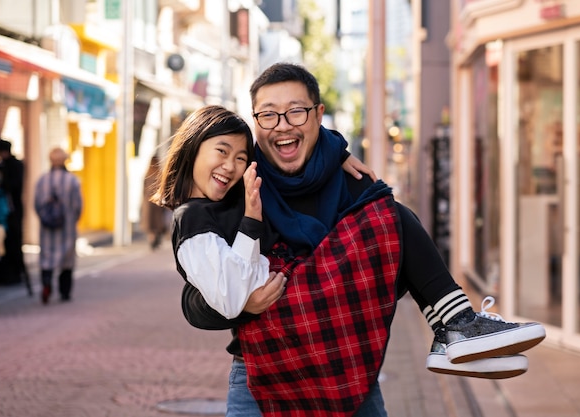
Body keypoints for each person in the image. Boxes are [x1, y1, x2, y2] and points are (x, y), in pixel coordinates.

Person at [179, 63, 546, 417]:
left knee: (394, 214)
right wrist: (246, 303)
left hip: (349, 372)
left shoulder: (354, 184)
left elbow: (391, 268)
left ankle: (455, 326)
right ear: (255, 121)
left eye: (296, 112)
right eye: (269, 114)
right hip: (262, 376)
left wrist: (336, 292)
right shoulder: (240, 187)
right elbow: (194, 299)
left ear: (318, 114)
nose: (282, 125)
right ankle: (454, 327)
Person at [154, 104, 373, 320]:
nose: (230, 166)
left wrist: (339, 154)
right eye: (222, 151)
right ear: (193, 146)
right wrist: (251, 220)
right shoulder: (191, 217)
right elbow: (230, 297)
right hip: (271, 340)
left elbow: (284, 151)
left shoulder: (236, 197)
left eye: (240, 158)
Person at [34, 147, 82, 304]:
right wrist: (73, 219)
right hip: (66, 227)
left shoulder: (42, 180)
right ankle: (64, 292)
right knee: (66, 261)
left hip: (47, 227)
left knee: (46, 257)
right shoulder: (72, 180)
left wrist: (44, 217)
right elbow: (78, 205)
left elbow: (36, 204)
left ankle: (47, 284)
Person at [0, 139, 29, 287]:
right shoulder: (3, 166)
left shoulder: (14, 165)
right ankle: (6, 273)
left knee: (13, 240)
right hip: (6, 209)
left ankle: (15, 273)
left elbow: (14, 186)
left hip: (12, 209)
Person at [140, 156, 169, 250]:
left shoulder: (147, 175)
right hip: (157, 202)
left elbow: (143, 190)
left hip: (148, 203)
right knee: (157, 222)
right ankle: (156, 239)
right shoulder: (160, 175)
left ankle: (152, 239)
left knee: (150, 223)